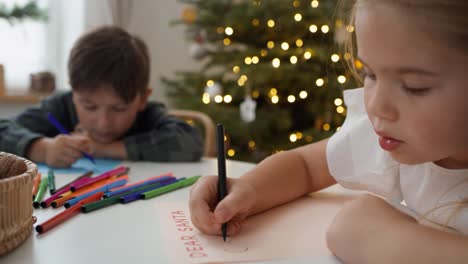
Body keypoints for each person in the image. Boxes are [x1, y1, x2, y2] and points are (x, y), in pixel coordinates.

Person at [189, 0, 468, 262]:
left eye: (414, 86)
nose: (376, 105)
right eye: (370, 74)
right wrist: (248, 189)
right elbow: (307, 166)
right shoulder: (402, 135)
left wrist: (380, 238)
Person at [0, 26, 203, 167]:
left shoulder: (149, 114)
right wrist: (42, 149)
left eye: (119, 108)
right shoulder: (60, 106)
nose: (104, 123)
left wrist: (102, 148)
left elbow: (191, 142)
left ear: (142, 99)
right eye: (89, 106)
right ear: (73, 94)